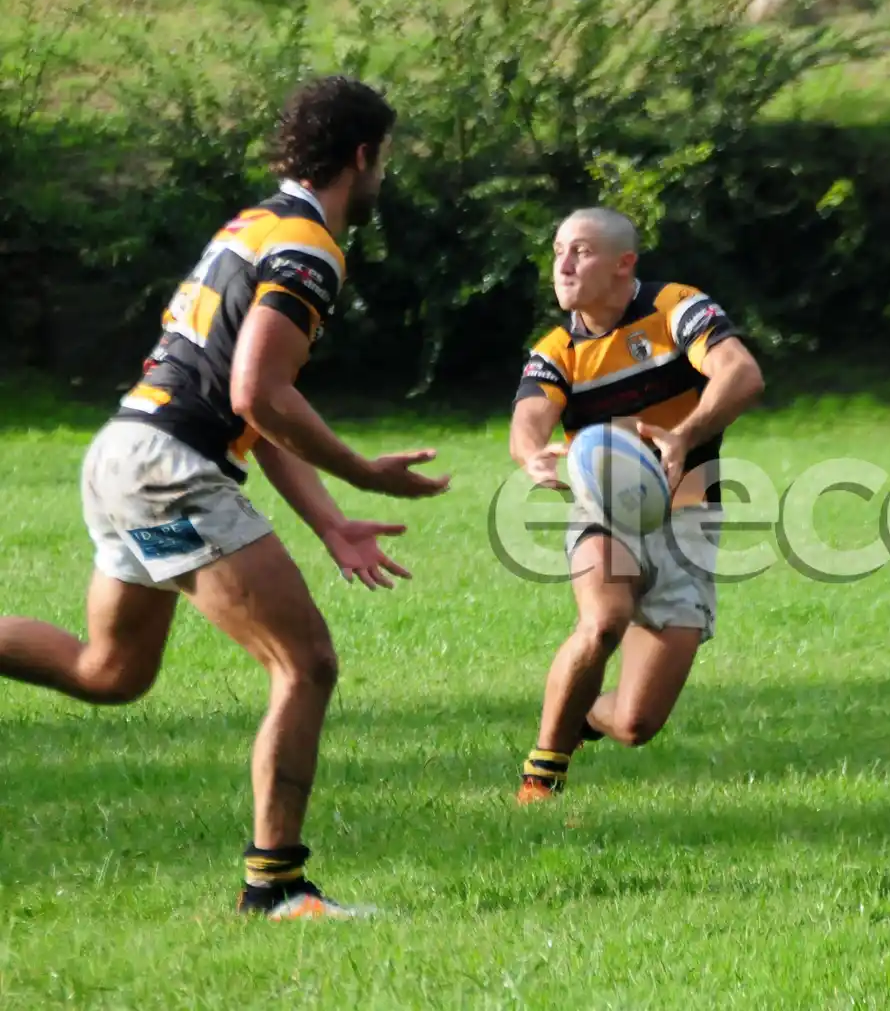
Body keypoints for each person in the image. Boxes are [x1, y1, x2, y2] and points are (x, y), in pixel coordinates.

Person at [0, 76, 451, 920]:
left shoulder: (255, 225)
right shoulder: (310, 248)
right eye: (384, 159)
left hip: (127, 456)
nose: (383, 175)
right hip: (169, 469)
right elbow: (259, 394)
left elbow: (258, 407)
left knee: (111, 672)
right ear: (362, 155)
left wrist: (329, 521)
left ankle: (275, 887)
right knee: (305, 663)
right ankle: (276, 887)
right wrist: (360, 471)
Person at [508, 207, 764, 804]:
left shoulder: (676, 308)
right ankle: (542, 776)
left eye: (581, 251)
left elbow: (742, 374)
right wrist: (531, 456)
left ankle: (582, 713)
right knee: (603, 622)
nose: (564, 265)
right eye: (558, 251)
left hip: (691, 517)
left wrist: (685, 435)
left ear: (624, 264)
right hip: (605, 513)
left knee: (635, 723)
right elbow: (529, 419)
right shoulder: (557, 350)